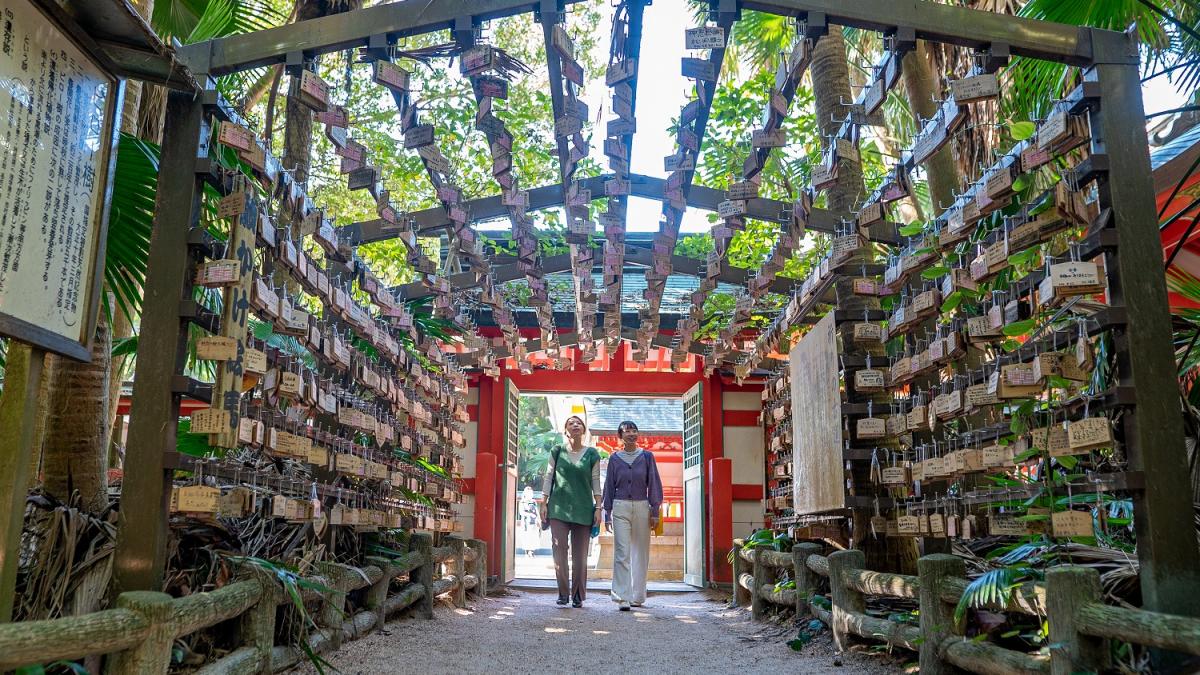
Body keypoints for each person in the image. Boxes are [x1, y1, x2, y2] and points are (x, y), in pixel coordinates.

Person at [539, 415, 602, 607]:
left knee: (580, 554)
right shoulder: (557, 451)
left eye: (578, 423)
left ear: (583, 430)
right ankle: (563, 593)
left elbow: (596, 482)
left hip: (584, 509)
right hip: (558, 508)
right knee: (559, 549)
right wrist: (544, 502)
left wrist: (598, 507)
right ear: (566, 431)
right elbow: (549, 476)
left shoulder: (592, 454)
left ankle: (577, 595)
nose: (575, 425)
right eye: (571, 424)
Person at [602, 420, 663, 611]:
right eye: (626, 431)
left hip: (642, 507)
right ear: (620, 436)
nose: (631, 433)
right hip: (620, 507)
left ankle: (637, 596)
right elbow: (609, 487)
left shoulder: (647, 457)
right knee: (622, 552)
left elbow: (653, 483)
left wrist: (655, 511)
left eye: (634, 430)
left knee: (641, 552)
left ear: (638, 434)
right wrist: (607, 513)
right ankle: (622, 597)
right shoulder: (614, 459)